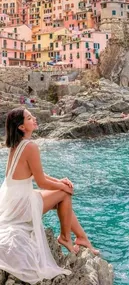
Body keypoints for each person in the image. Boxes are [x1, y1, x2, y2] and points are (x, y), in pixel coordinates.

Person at [0, 107, 99, 284]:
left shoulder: (17, 144)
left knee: (61, 193)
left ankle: (81, 237)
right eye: (30, 118)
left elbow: (38, 175)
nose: (34, 118)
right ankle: (66, 238)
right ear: (22, 127)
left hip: (15, 200)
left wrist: (59, 180)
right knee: (63, 195)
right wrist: (63, 187)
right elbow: (42, 182)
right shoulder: (30, 146)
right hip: (22, 205)